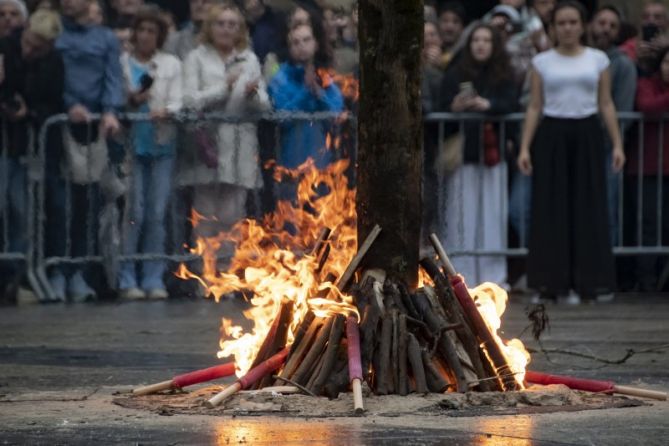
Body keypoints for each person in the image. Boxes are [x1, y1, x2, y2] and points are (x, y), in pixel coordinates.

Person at [517, 1, 625, 303]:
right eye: (561, 23)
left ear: (582, 25)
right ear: (554, 27)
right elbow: (535, 106)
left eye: (572, 22)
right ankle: (552, 284)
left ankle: (590, 283)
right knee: (550, 209)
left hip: (588, 133)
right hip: (552, 134)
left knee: (589, 207)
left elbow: (606, 103)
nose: (567, 28)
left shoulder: (598, 60)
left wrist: (617, 143)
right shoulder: (543, 62)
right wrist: (525, 147)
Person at [181, 2, 270, 245]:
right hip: (206, 146)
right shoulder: (195, 58)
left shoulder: (249, 58)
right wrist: (224, 88)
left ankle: (227, 276)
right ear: (210, 26)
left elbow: (265, 104)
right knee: (205, 215)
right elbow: (189, 101)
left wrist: (252, 94)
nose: (226, 29)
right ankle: (204, 277)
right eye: (221, 23)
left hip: (240, 149)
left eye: (232, 24)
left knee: (232, 216)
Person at [53, 0, 124, 302]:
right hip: (58, 123)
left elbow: (112, 77)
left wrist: (110, 110)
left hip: (94, 128)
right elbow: (49, 74)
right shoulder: (54, 31)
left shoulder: (105, 38)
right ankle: (56, 271)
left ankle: (81, 272)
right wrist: (68, 104)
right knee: (57, 206)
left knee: (89, 207)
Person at [438, 23, 518, 286]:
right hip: (464, 157)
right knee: (462, 214)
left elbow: (512, 104)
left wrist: (489, 105)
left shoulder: (504, 75)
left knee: (492, 216)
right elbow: (439, 106)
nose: (481, 45)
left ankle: (493, 276)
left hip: (493, 156)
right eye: (476, 40)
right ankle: (461, 274)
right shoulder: (455, 73)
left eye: (486, 40)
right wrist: (455, 107)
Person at [117, 6, 182, 300]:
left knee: (156, 213)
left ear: (159, 36)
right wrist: (129, 100)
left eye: (151, 31)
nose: (145, 36)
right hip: (130, 145)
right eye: (140, 30)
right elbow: (114, 99)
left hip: (161, 143)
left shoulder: (170, 64)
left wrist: (165, 110)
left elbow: (180, 100)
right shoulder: (122, 63)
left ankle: (153, 277)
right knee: (134, 213)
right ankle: (127, 276)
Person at [0, 8, 63, 300]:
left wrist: (30, 113)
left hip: (26, 144)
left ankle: (15, 275)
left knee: (22, 212)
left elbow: (53, 101)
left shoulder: (52, 62)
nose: (30, 50)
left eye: (37, 47)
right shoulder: (6, 47)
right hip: (5, 140)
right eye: (29, 42)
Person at [588, 5, 637, 246]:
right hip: (577, 146)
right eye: (601, 23)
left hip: (606, 150)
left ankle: (606, 276)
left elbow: (622, 113)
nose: (605, 29)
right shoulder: (580, 58)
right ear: (590, 25)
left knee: (606, 212)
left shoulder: (623, 65)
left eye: (612, 26)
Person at [268, 23, 343, 173]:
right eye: (295, 42)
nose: (302, 46)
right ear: (289, 48)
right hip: (290, 166)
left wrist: (319, 94)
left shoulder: (326, 76)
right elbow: (281, 118)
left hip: (323, 166)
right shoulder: (279, 79)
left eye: (306, 40)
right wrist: (305, 92)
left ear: (315, 44)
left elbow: (336, 117)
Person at [626, 45, 669, 292]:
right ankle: (646, 280)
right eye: (667, 63)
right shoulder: (646, 84)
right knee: (648, 225)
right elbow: (647, 106)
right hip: (648, 168)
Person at [437, 2, 466, 69]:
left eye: (455, 21)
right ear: (437, 24)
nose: (450, 27)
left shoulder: (468, 56)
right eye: (445, 21)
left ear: (462, 27)